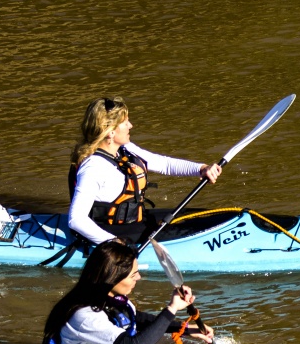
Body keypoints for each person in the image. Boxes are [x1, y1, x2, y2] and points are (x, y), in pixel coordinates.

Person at [40, 239, 214, 344]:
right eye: (133, 274)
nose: (139, 277)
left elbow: (135, 318)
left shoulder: (109, 297)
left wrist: (183, 329)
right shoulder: (85, 315)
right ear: (112, 277)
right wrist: (172, 308)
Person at [68, 96, 223, 245]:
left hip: (136, 220)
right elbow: (76, 219)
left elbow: (164, 164)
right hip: (112, 232)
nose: (131, 126)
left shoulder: (124, 149)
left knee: (203, 217)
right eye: (125, 122)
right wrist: (114, 243)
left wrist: (201, 169)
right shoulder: (93, 167)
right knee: (189, 229)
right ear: (111, 132)